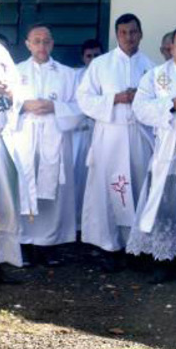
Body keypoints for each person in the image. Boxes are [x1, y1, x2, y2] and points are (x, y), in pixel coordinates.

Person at [127, 25, 176, 283]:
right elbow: (140, 108)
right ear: (170, 48)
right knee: (165, 207)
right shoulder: (155, 75)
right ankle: (163, 262)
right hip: (167, 155)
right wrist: (172, 104)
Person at [76, 13, 154, 270]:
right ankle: (108, 246)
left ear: (140, 34)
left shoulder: (152, 68)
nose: (129, 37)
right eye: (123, 33)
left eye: (133, 32)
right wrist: (116, 99)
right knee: (108, 191)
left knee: (139, 187)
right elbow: (84, 100)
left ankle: (136, 248)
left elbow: (159, 104)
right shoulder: (101, 64)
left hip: (139, 136)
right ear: (116, 35)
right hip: (109, 136)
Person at [9, 24, 83, 265]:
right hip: (25, 137)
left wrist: (55, 107)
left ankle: (49, 245)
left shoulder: (67, 74)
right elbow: (3, 105)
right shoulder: (14, 72)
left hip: (55, 136)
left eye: (46, 41)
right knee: (25, 187)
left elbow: (81, 107)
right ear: (28, 44)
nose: (42, 46)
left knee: (53, 192)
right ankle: (25, 243)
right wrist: (23, 106)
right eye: (36, 41)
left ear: (52, 44)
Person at [0, 37, 24, 282]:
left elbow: (19, 90)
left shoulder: (0, 52)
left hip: (0, 137)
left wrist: (9, 90)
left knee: (4, 206)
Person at [74, 39, 103, 231]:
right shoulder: (75, 76)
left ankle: (94, 224)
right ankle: (76, 223)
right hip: (79, 134)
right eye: (89, 56)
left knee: (97, 180)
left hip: (99, 132)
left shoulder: (106, 74)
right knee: (78, 179)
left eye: (97, 56)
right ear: (83, 58)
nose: (93, 60)